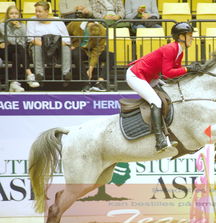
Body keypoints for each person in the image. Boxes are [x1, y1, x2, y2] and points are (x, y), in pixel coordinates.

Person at [126, 22, 202, 152]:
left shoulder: (179, 51)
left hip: (151, 77)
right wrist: (187, 68)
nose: (192, 38)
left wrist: (191, 71)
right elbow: (167, 73)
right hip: (136, 75)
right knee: (155, 101)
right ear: (181, 37)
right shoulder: (171, 48)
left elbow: (173, 74)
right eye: (189, 35)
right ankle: (159, 139)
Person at [27, 1, 72, 83]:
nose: (37, 13)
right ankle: (39, 75)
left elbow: (67, 40)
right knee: (36, 48)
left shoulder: (58, 21)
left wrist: (55, 46)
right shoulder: (32, 20)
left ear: (47, 12)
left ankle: (66, 74)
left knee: (65, 48)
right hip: (40, 47)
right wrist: (46, 46)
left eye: (40, 11)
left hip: (57, 49)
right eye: (36, 11)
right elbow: (31, 38)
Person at [0, 5, 39, 92]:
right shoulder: (3, 25)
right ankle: (29, 74)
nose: (14, 16)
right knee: (18, 48)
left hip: (16, 50)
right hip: (4, 51)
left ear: (19, 15)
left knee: (17, 55)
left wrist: (19, 28)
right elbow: (12, 40)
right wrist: (16, 31)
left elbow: (23, 42)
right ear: (7, 15)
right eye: (11, 14)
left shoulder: (23, 26)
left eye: (16, 14)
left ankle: (14, 82)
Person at [67, 21, 115, 91]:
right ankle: (86, 83)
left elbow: (96, 52)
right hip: (80, 49)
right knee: (75, 54)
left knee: (111, 56)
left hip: (94, 50)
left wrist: (90, 70)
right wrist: (70, 45)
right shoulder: (74, 24)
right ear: (87, 29)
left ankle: (100, 82)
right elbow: (64, 34)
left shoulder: (102, 31)